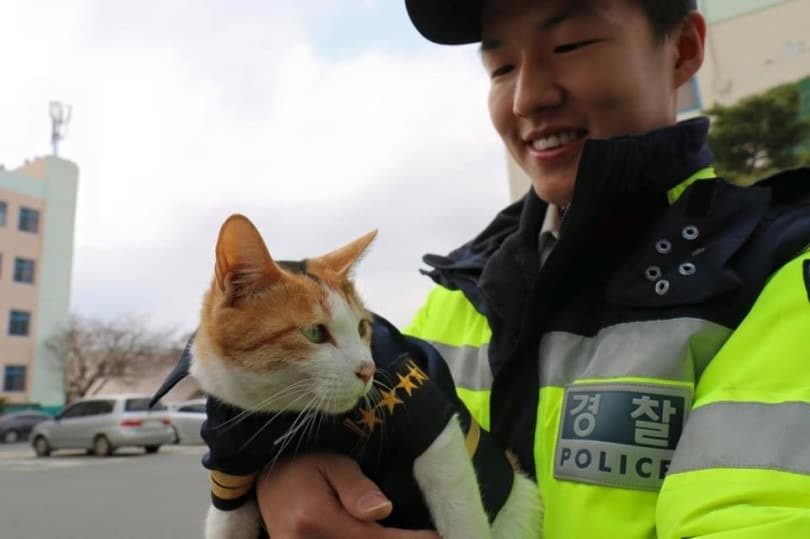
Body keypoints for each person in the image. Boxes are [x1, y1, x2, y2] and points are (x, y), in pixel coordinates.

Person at [257, 0, 810, 537]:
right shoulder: (461, 289)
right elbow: (348, 432)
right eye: (501, 67)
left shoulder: (779, 272)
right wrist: (280, 476)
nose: (526, 98)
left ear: (683, 50)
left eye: (570, 44)